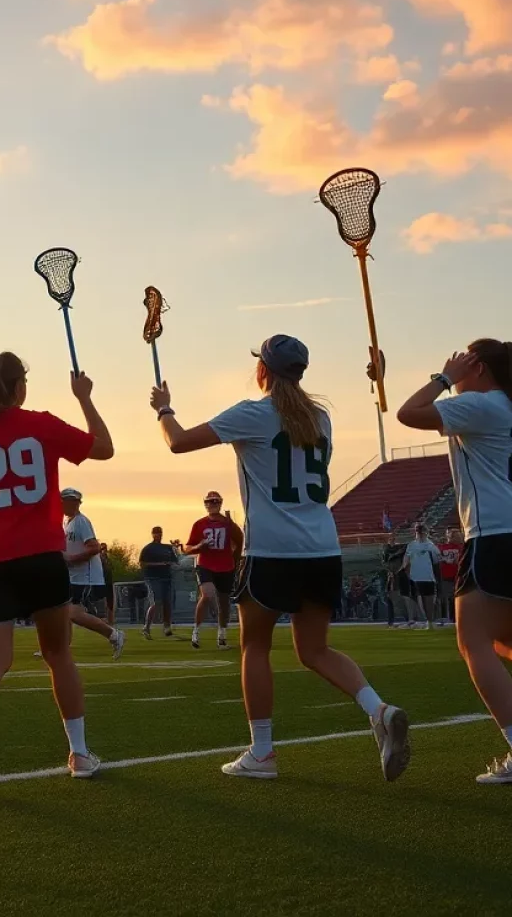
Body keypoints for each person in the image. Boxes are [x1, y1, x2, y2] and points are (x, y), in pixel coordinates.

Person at [151, 335, 409, 781]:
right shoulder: (321, 418)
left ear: (263, 371)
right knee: (315, 649)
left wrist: (164, 408)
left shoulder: (252, 413)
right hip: (322, 548)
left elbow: (177, 442)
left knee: (255, 647)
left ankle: (263, 752)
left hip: (271, 550)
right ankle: (378, 709)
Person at [0, 352, 114, 785]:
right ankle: (78, 754)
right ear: (20, 387)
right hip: (40, 556)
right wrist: (85, 398)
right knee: (59, 655)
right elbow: (104, 448)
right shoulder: (41, 425)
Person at [396, 339, 512, 784]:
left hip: (494, 533)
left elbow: (409, 413)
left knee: (473, 643)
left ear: (479, 368)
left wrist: (443, 378)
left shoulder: (482, 405)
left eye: (466, 362)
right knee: (503, 641)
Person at [61, 489, 125, 658]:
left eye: (72, 501)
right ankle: (62, 648)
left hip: (86, 577)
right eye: (66, 501)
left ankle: (112, 634)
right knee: (63, 611)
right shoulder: (68, 522)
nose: (69, 504)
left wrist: (72, 559)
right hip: (74, 576)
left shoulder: (81, 522)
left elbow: (94, 547)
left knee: (73, 613)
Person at [183, 492, 242, 649]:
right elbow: (188, 548)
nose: (213, 503)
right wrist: (199, 546)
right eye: (210, 501)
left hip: (225, 566)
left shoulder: (228, 524)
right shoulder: (199, 524)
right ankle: (196, 631)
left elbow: (240, 540)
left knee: (224, 602)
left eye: (216, 501)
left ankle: (222, 635)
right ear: (205, 504)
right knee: (207, 595)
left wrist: (234, 560)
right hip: (206, 564)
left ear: (221, 503)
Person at [139, 527, 178, 639]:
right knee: (156, 602)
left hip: (167, 577)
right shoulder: (148, 549)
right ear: (152, 534)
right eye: (156, 533)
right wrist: (159, 564)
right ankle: (146, 627)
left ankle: (167, 627)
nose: (158, 535)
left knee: (167, 602)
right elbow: (142, 564)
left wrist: (173, 562)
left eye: (160, 533)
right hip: (152, 578)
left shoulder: (167, 548)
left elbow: (175, 561)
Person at [403, 524, 441, 629]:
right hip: (415, 577)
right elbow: (406, 559)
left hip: (428, 576)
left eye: (422, 531)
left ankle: (430, 621)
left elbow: (437, 560)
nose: (420, 533)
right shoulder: (411, 545)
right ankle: (419, 620)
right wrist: (406, 571)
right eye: (418, 531)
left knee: (429, 599)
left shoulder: (430, 545)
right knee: (416, 599)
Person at [381, 535, 416, 628]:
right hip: (392, 576)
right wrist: (390, 571)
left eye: (393, 539)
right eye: (390, 539)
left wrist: (400, 570)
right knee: (390, 596)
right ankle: (391, 620)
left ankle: (410, 618)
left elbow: (406, 560)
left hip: (401, 575)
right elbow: (384, 563)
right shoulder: (386, 550)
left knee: (405, 595)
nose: (392, 541)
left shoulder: (402, 548)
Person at [437, 531, 460, 627]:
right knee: (446, 597)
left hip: (459, 575)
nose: (459, 538)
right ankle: (446, 617)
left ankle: (455, 617)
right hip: (446, 575)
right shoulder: (441, 547)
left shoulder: (462, 547)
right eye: (457, 536)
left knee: (456, 597)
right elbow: (437, 558)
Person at [98, 543, 116, 626]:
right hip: (102, 583)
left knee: (110, 604)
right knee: (104, 603)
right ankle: (105, 622)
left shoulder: (108, 558)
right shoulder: (99, 559)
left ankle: (111, 623)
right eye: (102, 549)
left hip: (109, 582)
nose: (104, 550)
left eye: (105, 548)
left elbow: (110, 569)